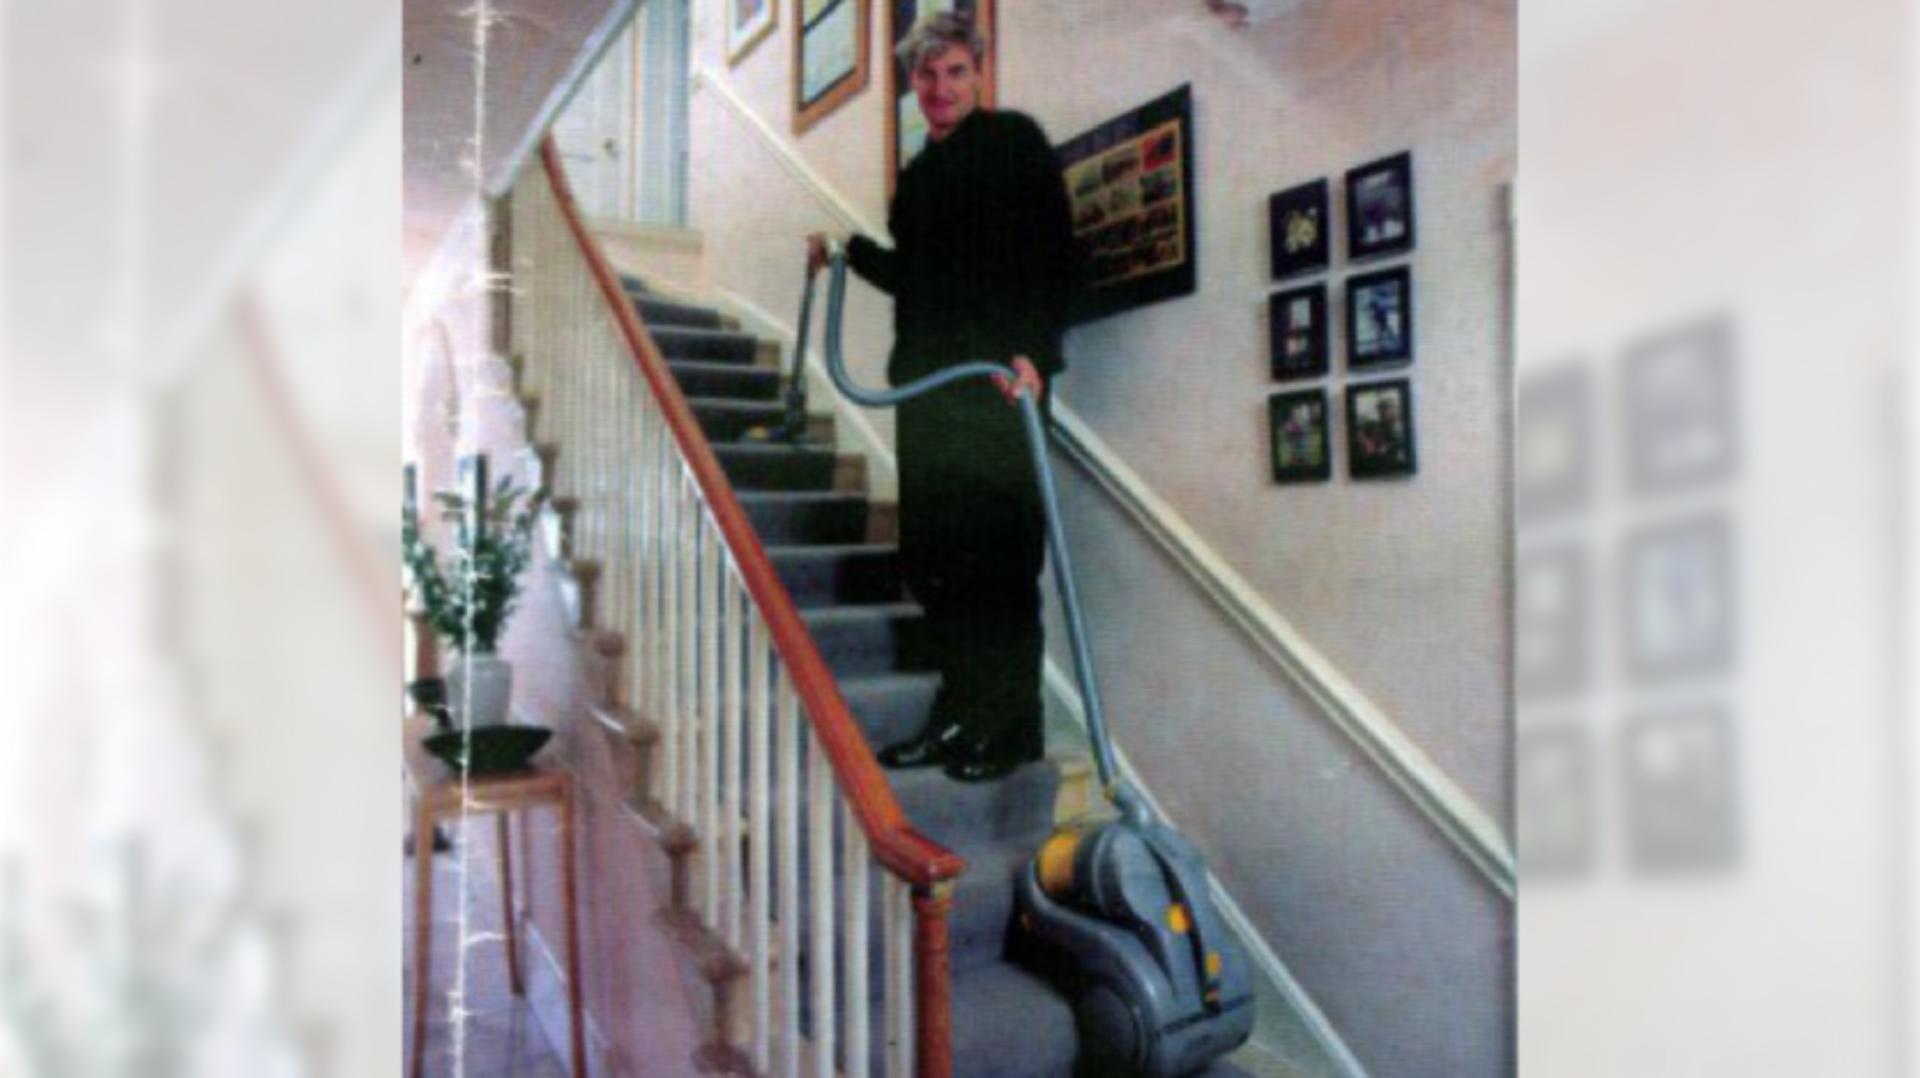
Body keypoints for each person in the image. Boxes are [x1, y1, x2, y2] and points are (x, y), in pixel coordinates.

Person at [807, 12, 1074, 783]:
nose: (941, 88)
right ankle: (957, 717)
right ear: (911, 84)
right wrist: (848, 252)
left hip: (996, 386)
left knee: (998, 561)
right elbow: (917, 280)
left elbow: (1054, 253)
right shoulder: (918, 176)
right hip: (926, 391)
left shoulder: (1013, 143)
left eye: (955, 71)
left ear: (979, 73)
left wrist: (1037, 355)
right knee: (935, 560)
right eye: (927, 75)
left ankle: (1010, 729)